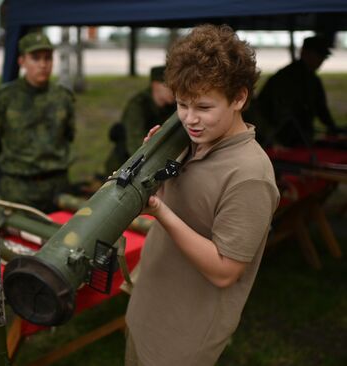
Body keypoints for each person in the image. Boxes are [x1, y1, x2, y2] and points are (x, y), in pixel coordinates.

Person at [125, 24, 280, 366]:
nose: (190, 119)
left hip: (184, 336)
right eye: (182, 104)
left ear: (239, 97)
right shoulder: (192, 140)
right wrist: (154, 160)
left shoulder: (250, 176)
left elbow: (225, 270)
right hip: (148, 307)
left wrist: (160, 211)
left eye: (204, 108)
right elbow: (189, 200)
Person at [0, 32, 75, 213]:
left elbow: (69, 135)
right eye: (35, 58)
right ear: (22, 61)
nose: (43, 65)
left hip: (57, 186)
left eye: (48, 58)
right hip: (17, 189)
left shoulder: (63, 97)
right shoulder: (5, 98)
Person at [256, 35, 344, 147]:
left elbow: (321, 109)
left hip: (301, 138)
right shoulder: (284, 78)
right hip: (281, 139)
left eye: (323, 57)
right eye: (319, 55)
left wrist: (332, 128)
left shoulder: (312, 80)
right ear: (305, 53)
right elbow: (278, 112)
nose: (321, 60)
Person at [104, 65, 176, 175]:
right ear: (155, 85)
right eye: (170, 87)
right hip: (124, 166)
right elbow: (135, 144)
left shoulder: (173, 106)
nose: (174, 91)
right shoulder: (138, 106)